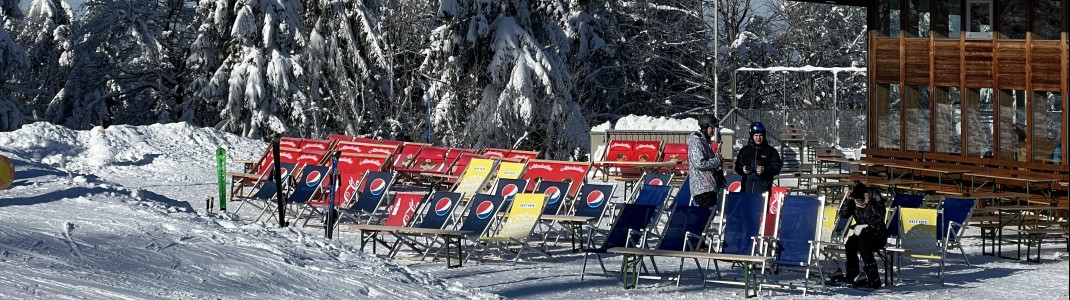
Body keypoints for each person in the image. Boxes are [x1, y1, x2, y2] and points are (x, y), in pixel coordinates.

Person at [832, 182, 888, 289]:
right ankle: (852, 275)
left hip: (877, 235)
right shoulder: (854, 202)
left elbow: (879, 218)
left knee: (864, 245)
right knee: (850, 244)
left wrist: (869, 204)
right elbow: (844, 214)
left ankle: (874, 279)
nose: (859, 203)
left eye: (861, 201)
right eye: (857, 201)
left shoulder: (876, 199)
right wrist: (848, 201)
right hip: (862, 233)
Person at [733, 122, 782, 196]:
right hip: (746, 190)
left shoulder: (771, 151)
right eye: (756, 135)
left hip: (763, 192)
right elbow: (737, 166)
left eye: (760, 135)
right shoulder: (744, 151)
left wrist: (765, 169)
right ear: (752, 136)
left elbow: (777, 167)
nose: (758, 138)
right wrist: (743, 169)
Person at [687, 115, 725, 207]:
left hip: (709, 187)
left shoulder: (704, 141)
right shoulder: (696, 141)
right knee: (705, 218)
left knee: (709, 217)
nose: (713, 131)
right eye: (712, 128)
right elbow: (699, 163)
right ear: (704, 127)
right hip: (703, 188)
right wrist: (716, 161)